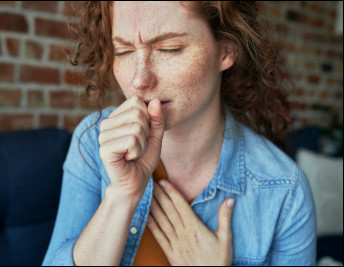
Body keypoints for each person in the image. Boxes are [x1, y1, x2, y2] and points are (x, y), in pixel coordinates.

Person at [42, 1, 316, 266]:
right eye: (123, 51)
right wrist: (121, 197)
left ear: (226, 51)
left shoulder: (285, 191)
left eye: (170, 48)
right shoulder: (93, 140)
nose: (139, 79)